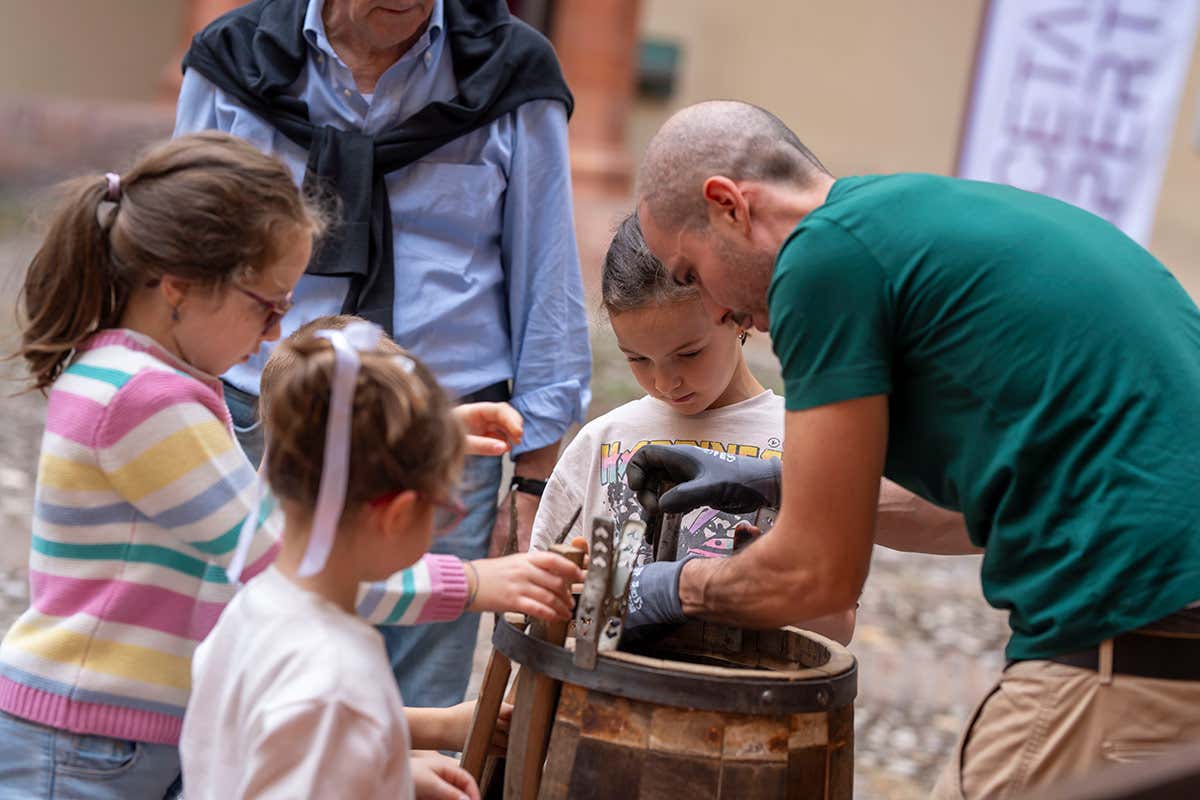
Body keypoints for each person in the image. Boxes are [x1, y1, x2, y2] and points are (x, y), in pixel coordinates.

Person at [623, 100, 1200, 798]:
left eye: (689, 273)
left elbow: (816, 576)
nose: (715, 311)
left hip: (1137, 639)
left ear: (729, 208)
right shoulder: (903, 223)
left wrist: (676, 589)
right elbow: (979, 508)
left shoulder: (821, 259)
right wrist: (777, 482)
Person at [0, 133, 580, 799]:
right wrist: (474, 581)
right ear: (180, 286)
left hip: (124, 740)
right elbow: (293, 559)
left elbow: (285, 512)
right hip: (85, 746)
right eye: (268, 304)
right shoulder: (144, 399)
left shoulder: (147, 377)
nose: (275, 331)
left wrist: (417, 439)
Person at [173, 0, 592, 708]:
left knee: (418, 693)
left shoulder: (510, 71)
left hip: (450, 424)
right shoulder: (233, 60)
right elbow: (178, 257)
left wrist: (531, 475)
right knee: (251, 666)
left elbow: (547, 271)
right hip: (259, 416)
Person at [182, 320, 562, 799]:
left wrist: (390, 773)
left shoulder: (246, 616)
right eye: (438, 505)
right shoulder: (336, 674)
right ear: (398, 514)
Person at [529, 213, 854, 645]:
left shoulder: (805, 441)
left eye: (689, 354)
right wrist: (594, 591)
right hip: (600, 702)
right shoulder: (601, 442)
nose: (665, 383)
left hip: (745, 704)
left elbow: (838, 625)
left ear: (737, 313)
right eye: (638, 359)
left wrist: (772, 584)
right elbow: (539, 607)